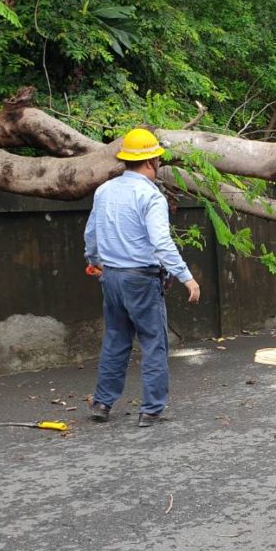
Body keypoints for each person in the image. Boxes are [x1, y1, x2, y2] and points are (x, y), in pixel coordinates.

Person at [85, 128, 201, 427]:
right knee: (153, 343)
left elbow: (92, 234)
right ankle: (150, 410)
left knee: (115, 340)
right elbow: (161, 243)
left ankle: (102, 403)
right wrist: (186, 276)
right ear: (152, 162)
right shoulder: (151, 196)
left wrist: (94, 261)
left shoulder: (104, 191)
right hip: (141, 279)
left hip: (111, 278)